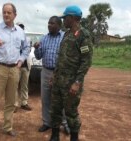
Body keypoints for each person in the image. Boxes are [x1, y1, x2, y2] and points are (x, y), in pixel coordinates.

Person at [0, 3, 30, 141]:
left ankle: (7, 127)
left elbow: (26, 48)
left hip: (14, 69)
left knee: (11, 101)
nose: (6, 15)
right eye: (4, 12)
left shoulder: (20, 32)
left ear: (15, 15)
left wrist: (21, 60)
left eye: (9, 12)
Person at [49, 5, 93, 141]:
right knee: (55, 109)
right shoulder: (67, 34)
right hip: (58, 81)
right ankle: (55, 135)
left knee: (71, 112)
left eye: (65, 18)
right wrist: (54, 76)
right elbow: (61, 57)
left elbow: (86, 61)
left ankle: (74, 137)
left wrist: (77, 82)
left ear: (73, 18)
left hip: (71, 83)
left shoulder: (83, 35)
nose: (63, 21)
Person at [33, 16, 70, 135]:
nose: (49, 25)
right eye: (48, 23)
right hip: (46, 71)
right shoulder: (44, 38)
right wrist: (37, 48)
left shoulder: (65, 37)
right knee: (46, 98)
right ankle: (46, 122)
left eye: (52, 23)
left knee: (62, 99)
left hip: (61, 73)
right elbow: (38, 56)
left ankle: (65, 123)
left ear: (59, 25)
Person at [14, 22, 32, 112]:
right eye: (19, 28)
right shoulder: (13, 39)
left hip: (25, 66)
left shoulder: (27, 39)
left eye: (22, 28)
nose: (21, 29)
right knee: (14, 86)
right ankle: (14, 104)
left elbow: (28, 50)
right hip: (16, 66)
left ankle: (24, 103)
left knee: (24, 86)